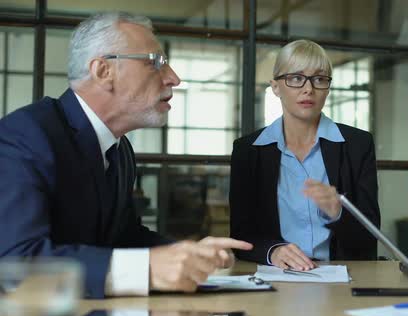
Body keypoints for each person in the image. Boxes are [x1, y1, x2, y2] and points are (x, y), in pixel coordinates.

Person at [0, 12, 252, 298]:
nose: (174, 78)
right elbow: (15, 264)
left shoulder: (120, 149)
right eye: (155, 62)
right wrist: (146, 269)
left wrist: (183, 253)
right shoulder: (24, 137)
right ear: (103, 71)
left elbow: (123, 236)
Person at [229, 40, 380, 270]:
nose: (308, 89)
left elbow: (369, 236)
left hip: (340, 277)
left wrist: (339, 212)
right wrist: (273, 251)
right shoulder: (248, 150)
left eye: (319, 79)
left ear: (328, 88)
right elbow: (241, 234)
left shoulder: (357, 145)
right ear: (276, 87)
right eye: (296, 78)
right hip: (277, 276)